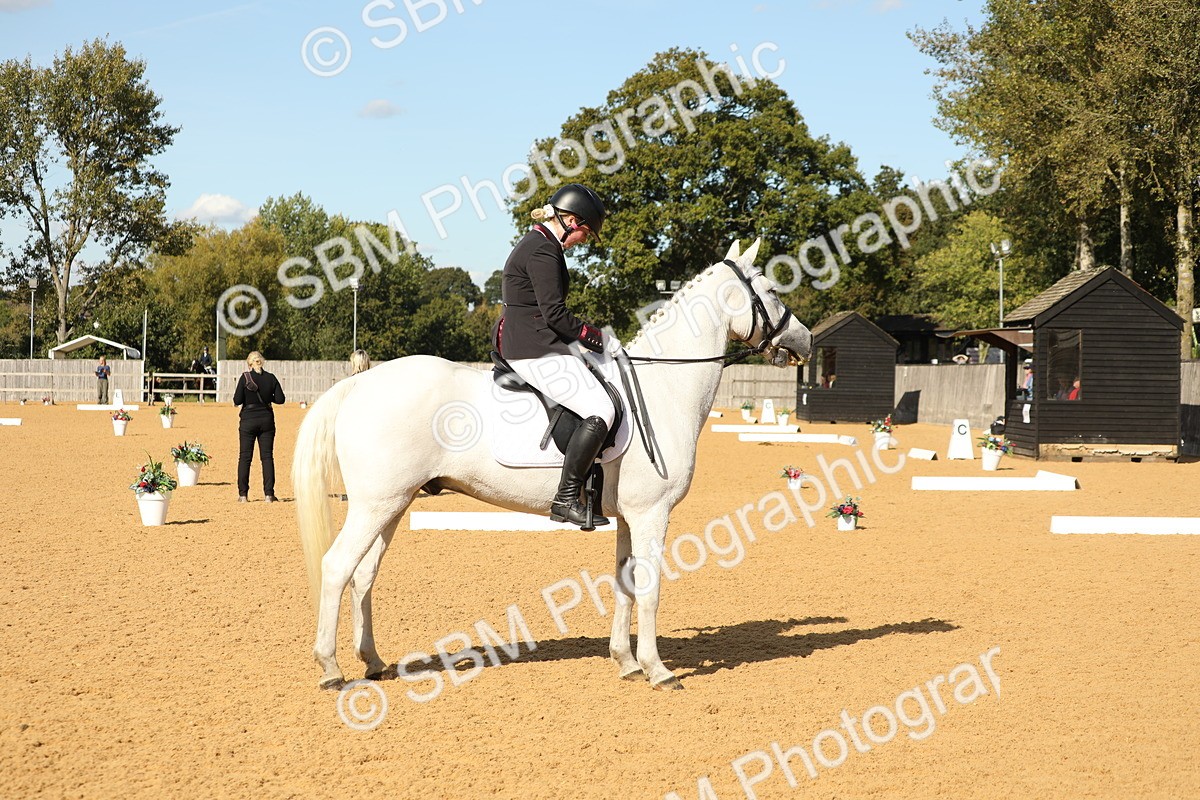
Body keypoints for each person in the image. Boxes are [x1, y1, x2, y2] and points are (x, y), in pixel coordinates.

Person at [491, 183, 619, 528]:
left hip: (534, 341)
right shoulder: (543, 251)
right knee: (602, 409)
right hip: (533, 348)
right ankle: (566, 498)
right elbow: (555, 315)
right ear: (572, 221)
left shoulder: (540, 243)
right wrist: (600, 340)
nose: (582, 241)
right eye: (585, 234)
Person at [233, 351, 286, 502]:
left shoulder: (245, 378)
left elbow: (237, 400)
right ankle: (269, 494)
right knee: (267, 457)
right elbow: (280, 399)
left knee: (245, 458)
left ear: (249, 364)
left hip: (248, 421)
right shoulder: (271, 378)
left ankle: (243, 495)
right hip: (266, 420)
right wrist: (268, 396)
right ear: (262, 362)